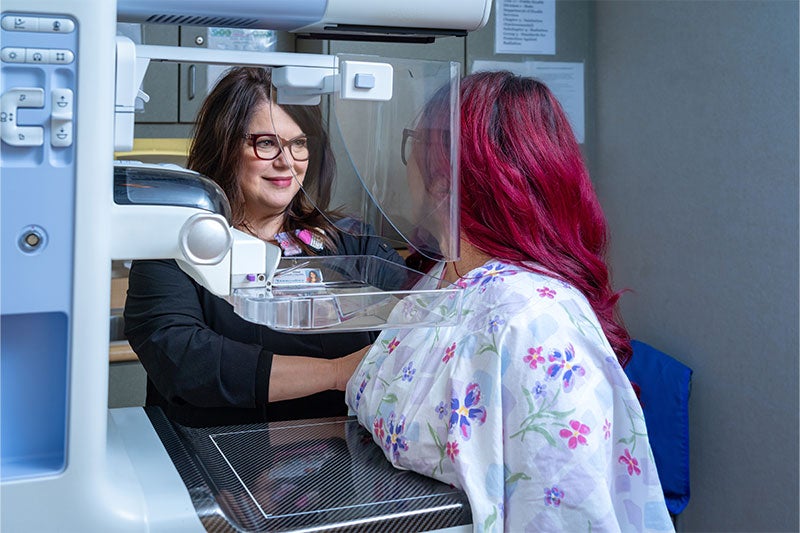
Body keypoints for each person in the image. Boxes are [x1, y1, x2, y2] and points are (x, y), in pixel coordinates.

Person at [346, 71, 674, 531]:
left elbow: (563, 512)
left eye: (414, 144)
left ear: (445, 180)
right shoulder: (444, 277)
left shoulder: (534, 322)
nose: (406, 165)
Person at [124, 66, 405, 428]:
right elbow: (188, 362)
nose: (286, 162)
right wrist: (337, 373)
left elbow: (422, 310)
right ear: (224, 147)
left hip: (329, 464)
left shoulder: (349, 242)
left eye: (299, 143)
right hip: (214, 462)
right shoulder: (172, 249)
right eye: (266, 142)